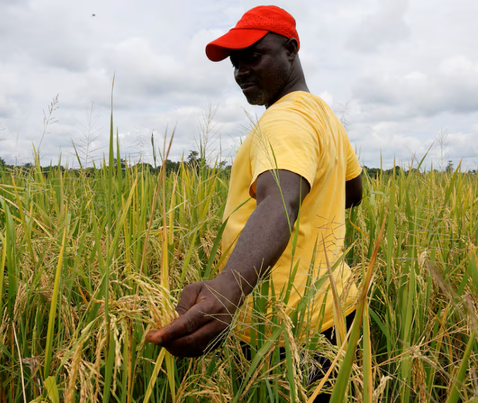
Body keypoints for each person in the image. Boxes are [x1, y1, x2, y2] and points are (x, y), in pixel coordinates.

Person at [146, 5, 362, 362]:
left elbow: (280, 201)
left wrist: (229, 287)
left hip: (285, 324)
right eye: (235, 62)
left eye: (254, 56)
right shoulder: (323, 115)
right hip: (336, 303)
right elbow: (352, 192)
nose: (241, 71)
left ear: (291, 50)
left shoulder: (284, 121)